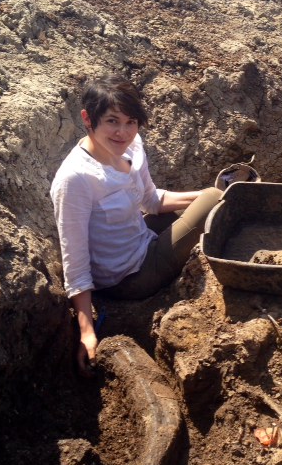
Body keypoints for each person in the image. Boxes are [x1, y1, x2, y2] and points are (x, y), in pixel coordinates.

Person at [50, 75, 222, 376]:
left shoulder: (131, 147)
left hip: (142, 236)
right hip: (127, 276)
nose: (123, 132)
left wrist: (210, 195)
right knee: (213, 200)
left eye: (131, 122)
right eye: (112, 121)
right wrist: (87, 330)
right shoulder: (76, 180)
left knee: (213, 197)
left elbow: (150, 201)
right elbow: (74, 262)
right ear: (87, 118)